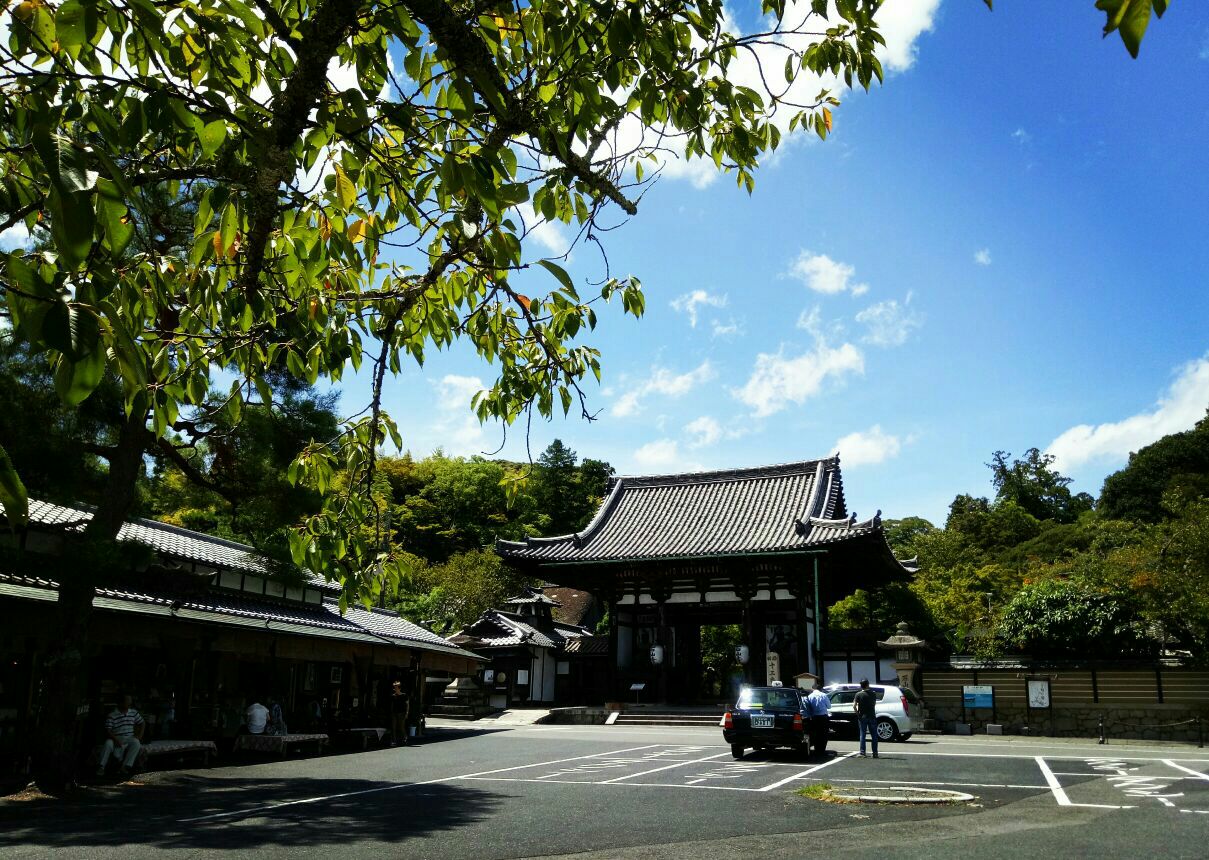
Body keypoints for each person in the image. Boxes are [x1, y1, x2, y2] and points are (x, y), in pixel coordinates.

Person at [98, 694, 144, 777]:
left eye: (130, 701)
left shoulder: (133, 712)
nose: (130, 703)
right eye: (127, 701)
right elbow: (108, 731)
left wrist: (140, 735)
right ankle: (101, 767)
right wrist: (116, 740)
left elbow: (142, 723)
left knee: (136, 742)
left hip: (129, 738)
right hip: (115, 737)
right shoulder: (112, 715)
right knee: (108, 744)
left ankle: (125, 767)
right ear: (121, 703)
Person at [853, 678, 878, 758]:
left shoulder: (858, 694)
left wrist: (858, 714)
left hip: (862, 716)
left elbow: (854, 706)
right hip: (872, 715)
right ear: (867, 685)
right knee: (874, 735)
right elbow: (874, 704)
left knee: (862, 735)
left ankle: (862, 752)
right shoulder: (873, 694)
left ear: (861, 686)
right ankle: (875, 753)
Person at [804, 682, 831, 757]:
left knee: (815, 733)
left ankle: (816, 749)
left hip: (814, 717)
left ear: (813, 689)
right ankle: (822, 750)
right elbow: (829, 706)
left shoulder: (810, 696)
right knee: (824, 734)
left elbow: (808, 707)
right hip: (823, 717)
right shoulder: (824, 695)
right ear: (820, 689)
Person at [389, 680, 409, 746]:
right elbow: (392, 705)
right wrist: (391, 712)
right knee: (393, 727)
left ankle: (405, 737)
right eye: (394, 687)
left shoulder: (404, 695)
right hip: (394, 713)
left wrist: (407, 713)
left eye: (396, 687)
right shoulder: (393, 696)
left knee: (401, 727)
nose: (395, 688)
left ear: (399, 688)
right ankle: (394, 741)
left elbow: (407, 704)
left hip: (402, 713)